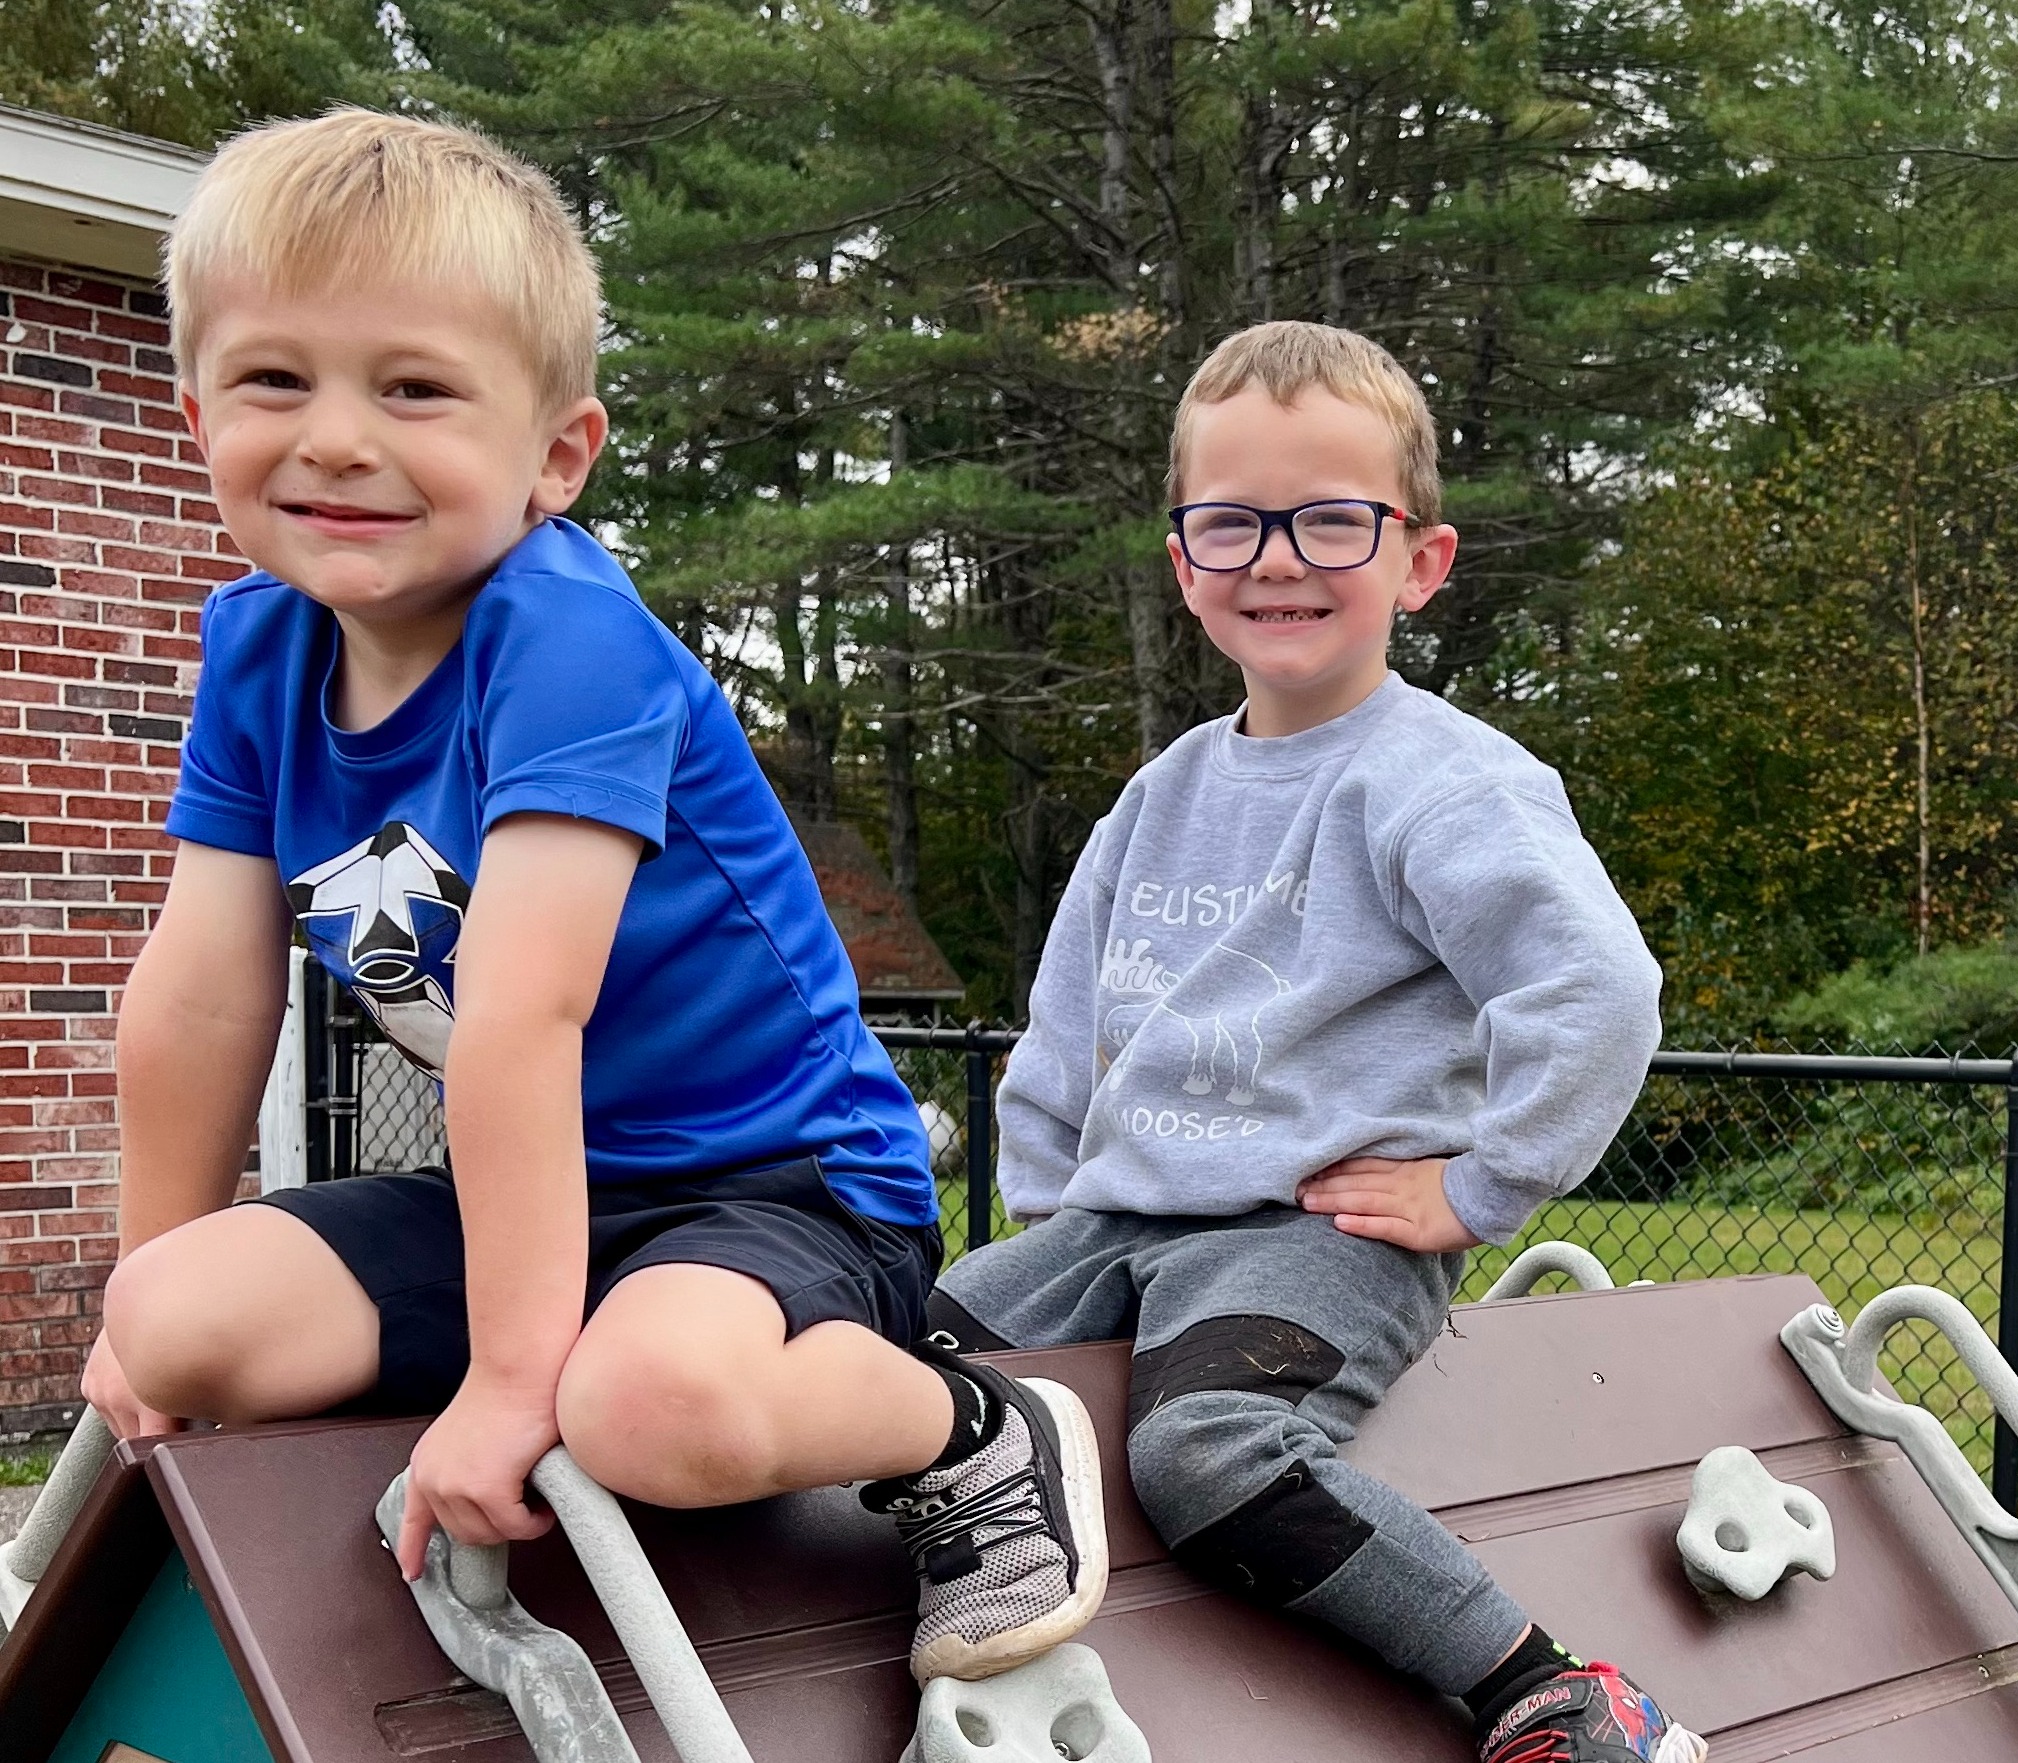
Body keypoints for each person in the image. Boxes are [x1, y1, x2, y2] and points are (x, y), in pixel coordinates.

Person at [79, 110, 1107, 1684]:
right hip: (529, 1187)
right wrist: (134, 1305)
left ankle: (963, 1423)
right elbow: (204, 992)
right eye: (274, 380)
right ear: (196, 410)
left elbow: (521, 1010)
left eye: (413, 388)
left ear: (555, 454)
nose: (336, 438)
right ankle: (497, 1403)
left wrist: (510, 1379)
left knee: (643, 1411)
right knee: (181, 1315)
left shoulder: (567, 639)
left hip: (774, 1179)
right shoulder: (255, 652)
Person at [930, 320, 1705, 1763]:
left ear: (1419, 559)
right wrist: (1051, 1202)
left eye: (1330, 519)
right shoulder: (1158, 794)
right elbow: (1065, 1018)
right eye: (1230, 522)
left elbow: (1596, 988)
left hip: (1310, 1233)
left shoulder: (1447, 783)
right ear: (1183, 563)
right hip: (1116, 1220)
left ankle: (1539, 1684)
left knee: (1203, 1445)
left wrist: (1477, 1188)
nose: (1276, 557)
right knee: (906, 1360)